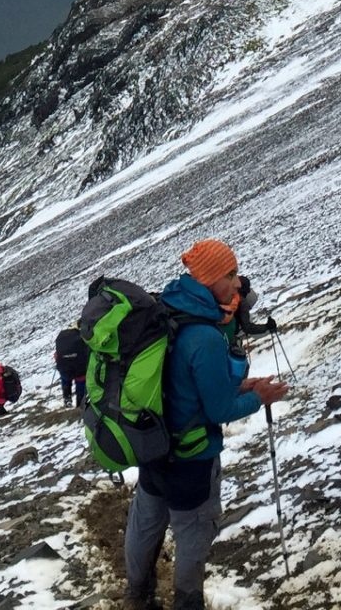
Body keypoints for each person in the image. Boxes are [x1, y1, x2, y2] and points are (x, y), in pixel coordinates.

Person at [123, 239, 287, 610]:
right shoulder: (206, 336)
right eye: (230, 275)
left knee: (145, 524)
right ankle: (188, 603)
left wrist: (243, 384)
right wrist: (260, 397)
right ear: (211, 278)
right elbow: (218, 409)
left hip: (153, 446)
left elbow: (182, 383)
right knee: (193, 535)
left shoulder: (167, 311)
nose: (237, 283)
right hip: (193, 459)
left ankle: (136, 596)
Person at [54, 322, 90, 407]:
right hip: (80, 370)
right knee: (81, 386)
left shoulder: (62, 338)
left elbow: (56, 355)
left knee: (65, 381)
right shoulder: (83, 337)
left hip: (64, 368)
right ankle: (80, 404)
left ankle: (67, 399)